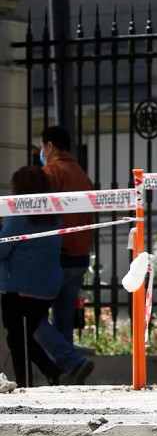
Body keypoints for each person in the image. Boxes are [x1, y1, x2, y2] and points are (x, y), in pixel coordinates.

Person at [33, 125, 95, 385]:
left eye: (41, 147)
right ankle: (68, 376)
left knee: (30, 316)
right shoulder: (82, 176)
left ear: (49, 146)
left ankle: (72, 362)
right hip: (80, 256)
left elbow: (39, 215)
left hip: (57, 255)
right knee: (64, 320)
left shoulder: (50, 173)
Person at [0, 166, 65, 387]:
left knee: (17, 339)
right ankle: (51, 370)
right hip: (46, 289)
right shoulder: (53, 216)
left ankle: (25, 382)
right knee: (24, 337)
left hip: (19, 288)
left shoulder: (20, 215)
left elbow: (2, 248)